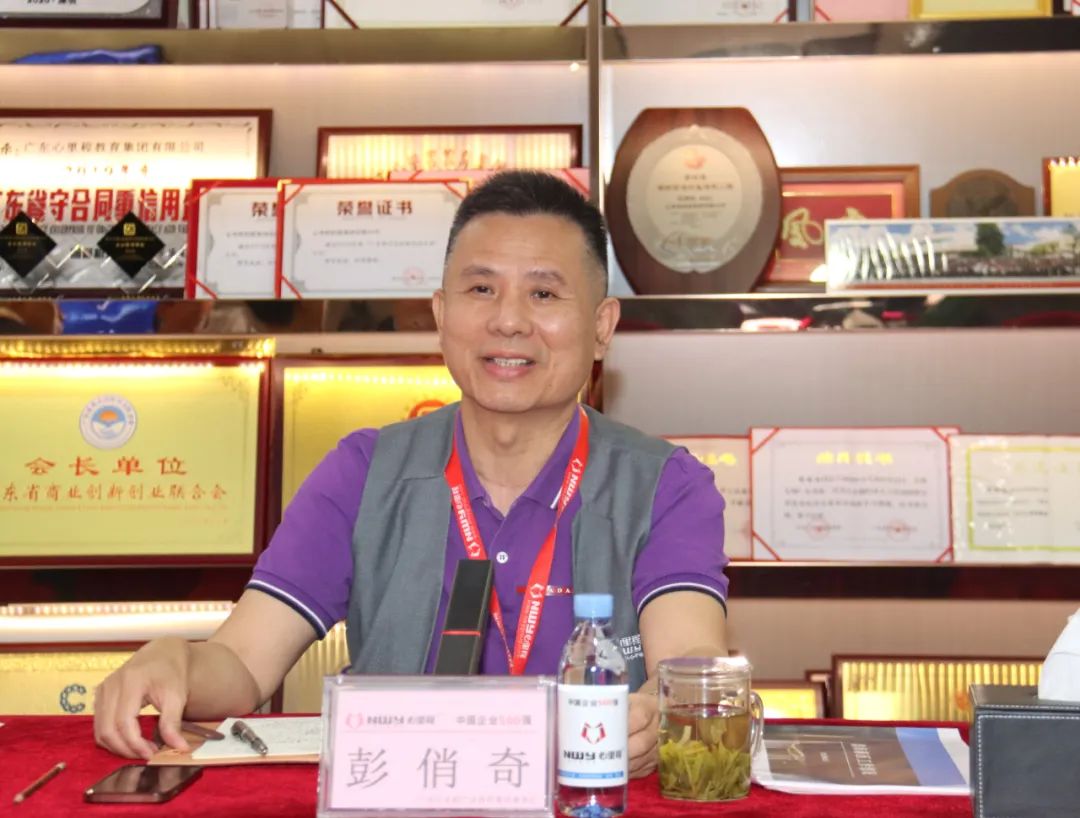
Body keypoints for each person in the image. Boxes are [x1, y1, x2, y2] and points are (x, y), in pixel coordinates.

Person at [93, 171, 730, 778]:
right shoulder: (362, 474)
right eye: (481, 290)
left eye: (543, 293)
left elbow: (691, 660)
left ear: (601, 327)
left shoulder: (666, 487)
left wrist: (656, 712)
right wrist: (178, 661)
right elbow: (243, 662)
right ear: (441, 314)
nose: (509, 320)